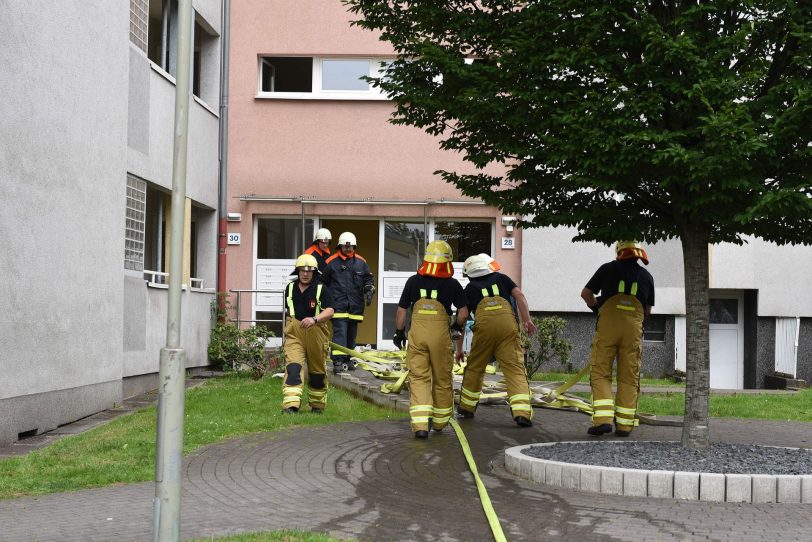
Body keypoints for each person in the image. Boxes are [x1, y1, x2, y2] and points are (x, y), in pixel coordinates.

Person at [393, 240, 468, 439]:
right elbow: (463, 313)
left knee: (419, 378)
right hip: (440, 338)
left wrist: (399, 333)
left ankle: (420, 426)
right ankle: (440, 422)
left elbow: (401, 311)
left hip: (417, 337)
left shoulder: (413, 281)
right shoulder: (452, 284)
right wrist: (457, 327)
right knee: (442, 378)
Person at [581, 240, 655, 437]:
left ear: (619, 252)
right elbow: (648, 311)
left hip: (608, 328)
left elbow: (586, 294)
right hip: (633, 331)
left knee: (600, 372)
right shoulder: (647, 276)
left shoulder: (607, 269)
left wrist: (597, 307)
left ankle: (603, 420)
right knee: (629, 377)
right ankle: (624, 425)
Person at [457, 253, 537, 427]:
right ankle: (522, 413)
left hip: (484, 332)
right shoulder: (502, 278)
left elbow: (462, 317)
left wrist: (459, 349)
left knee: (475, 369)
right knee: (515, 369)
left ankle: (466, 408)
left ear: (469, 273)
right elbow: (520, 296)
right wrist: (527, 321)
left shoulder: (469, 289)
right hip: (508, 329)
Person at [281, 254, 335, 414]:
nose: (305, 274)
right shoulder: (290, 288)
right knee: (293, 368)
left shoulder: (321, 289)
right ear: (297, 271)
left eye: (309, 271)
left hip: (316, 334)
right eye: (302, 270)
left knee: (317, 372)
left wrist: (315, 319)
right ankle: (291, 405)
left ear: (314, 272)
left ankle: (317, 405)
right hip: (294, 334)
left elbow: (331, 311)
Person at [321, 232, 375, 374]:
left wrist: (369, 291)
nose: (348, 249)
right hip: (338, 305)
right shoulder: (331, 263)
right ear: (340, 246)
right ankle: (338, 361)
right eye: (345, 247)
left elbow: (368, 280)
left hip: (355, 306)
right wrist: (325, 300)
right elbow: (322, 283)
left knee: (351, 334)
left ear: (354, 246)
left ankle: (348, 358)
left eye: (350, 247)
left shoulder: (361, 263)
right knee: (340, 333)